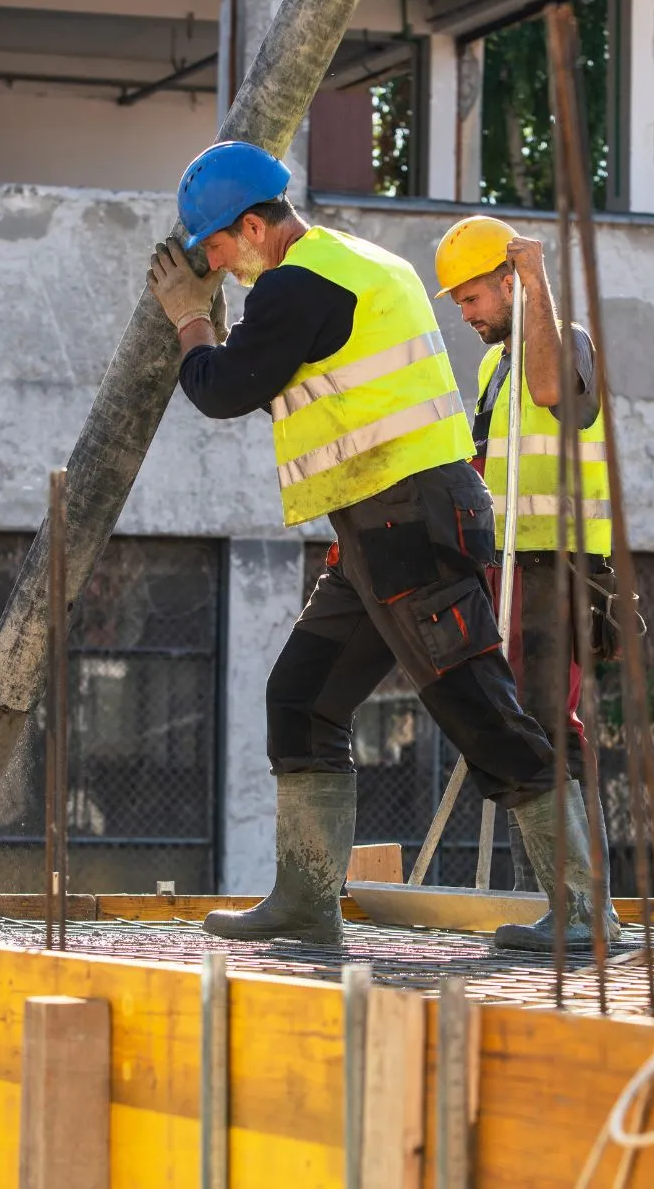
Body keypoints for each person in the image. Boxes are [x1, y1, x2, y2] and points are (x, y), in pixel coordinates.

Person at [146, 141, 607, 950]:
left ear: (252, 226)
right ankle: (306, 900)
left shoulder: (298, 283)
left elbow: (221, 390)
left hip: (405, 527)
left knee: (483, 713)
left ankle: (584, 911)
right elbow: (267, 368)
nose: (214, 266)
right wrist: (213, 327)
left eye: (214, 248)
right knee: (302, 697)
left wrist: (189, 318)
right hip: (382, 527)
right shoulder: (357, 264)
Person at [432, 215, 619, 935]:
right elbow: (482, 464)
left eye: (473, 297)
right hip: (510, 566)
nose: (465, 313)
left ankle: (583, 910)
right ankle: (551, 899)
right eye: (458, 302)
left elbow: (552, 391)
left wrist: (538, 284)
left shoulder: (565, 342)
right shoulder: (492, 367)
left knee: (547, 726)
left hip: (558, 564)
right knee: (522, 727)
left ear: (509, 282)